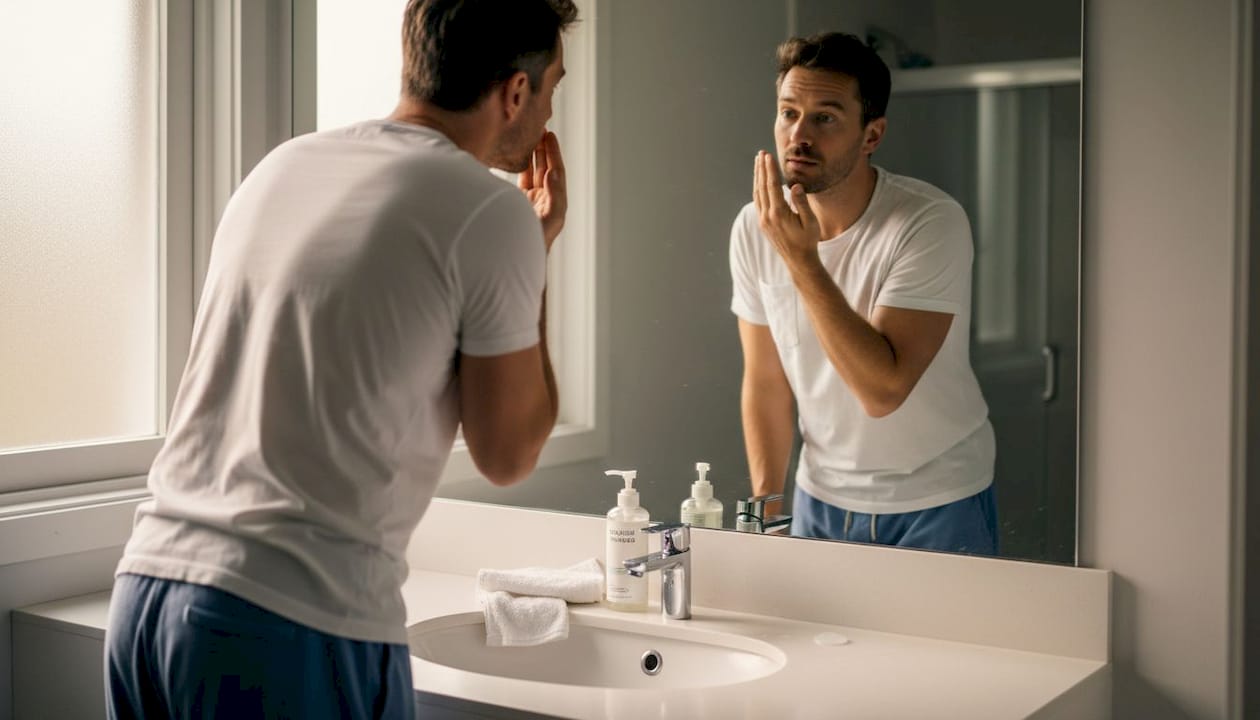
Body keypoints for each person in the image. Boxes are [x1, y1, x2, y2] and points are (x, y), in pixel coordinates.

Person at [104, 0, 578, 716]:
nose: (548, 116)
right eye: (551, 90)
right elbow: (508, 454)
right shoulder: (490, 211)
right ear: (516, 91)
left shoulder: (283, 166)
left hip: (146, 595)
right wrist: (533, 258)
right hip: (287, 622)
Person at [730, 32, 997, 555]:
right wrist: (766, 511)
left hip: (938, 498)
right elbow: (766, 381)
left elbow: (882, 392)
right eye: (788, 113)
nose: (799, 135)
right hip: (819, 497)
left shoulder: (928, 222)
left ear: (871, 134)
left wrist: (802, 259)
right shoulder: (754, 225)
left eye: (825, 118)